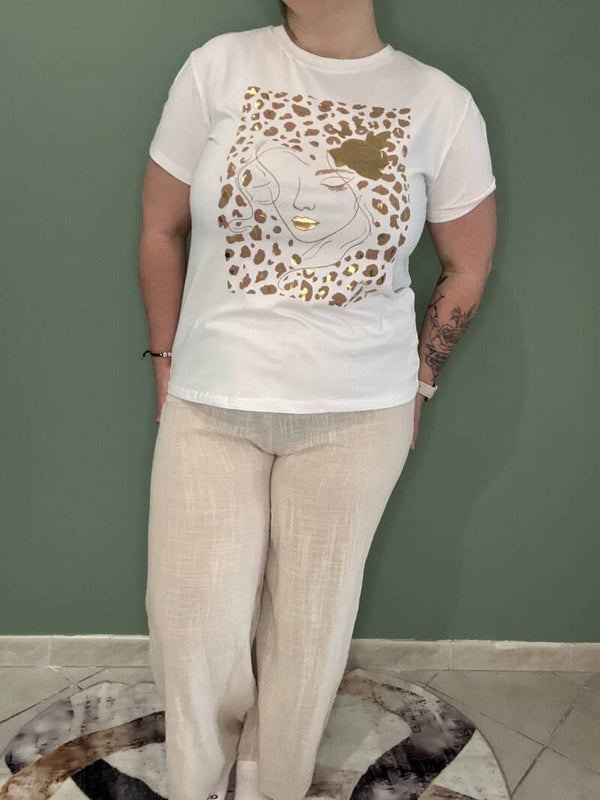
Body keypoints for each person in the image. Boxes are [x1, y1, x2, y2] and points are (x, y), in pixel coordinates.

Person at [138, 1, 497, 798]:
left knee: (308, 631)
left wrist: (421, 379)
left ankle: (273, 784)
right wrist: (164, 359)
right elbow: (161, 229)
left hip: (357, 414)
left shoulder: (440, 103)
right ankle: (197, 783)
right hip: (212, 400)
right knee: (191, 626)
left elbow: (467, 266)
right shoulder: (218, 67)